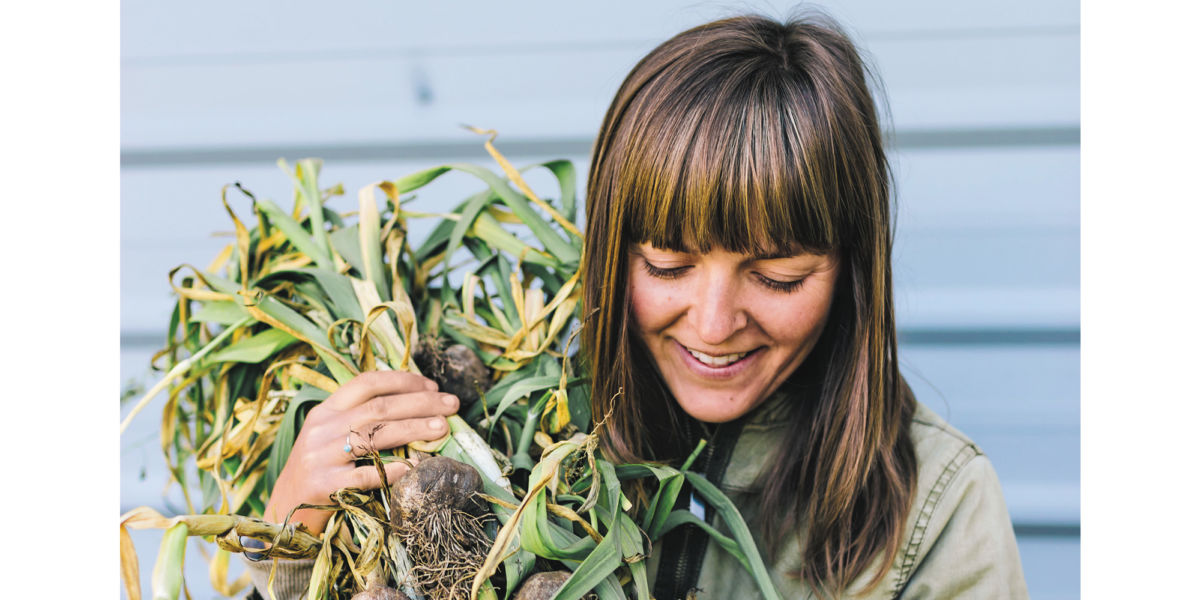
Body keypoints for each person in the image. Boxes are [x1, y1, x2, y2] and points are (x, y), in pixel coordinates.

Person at [244, 12, 1029, 600]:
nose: (715, 324)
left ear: (853, 271)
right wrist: (288, 542)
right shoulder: (525, 421)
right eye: (667, 264)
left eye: (779, 277)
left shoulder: (937, 506)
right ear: (611, 251)